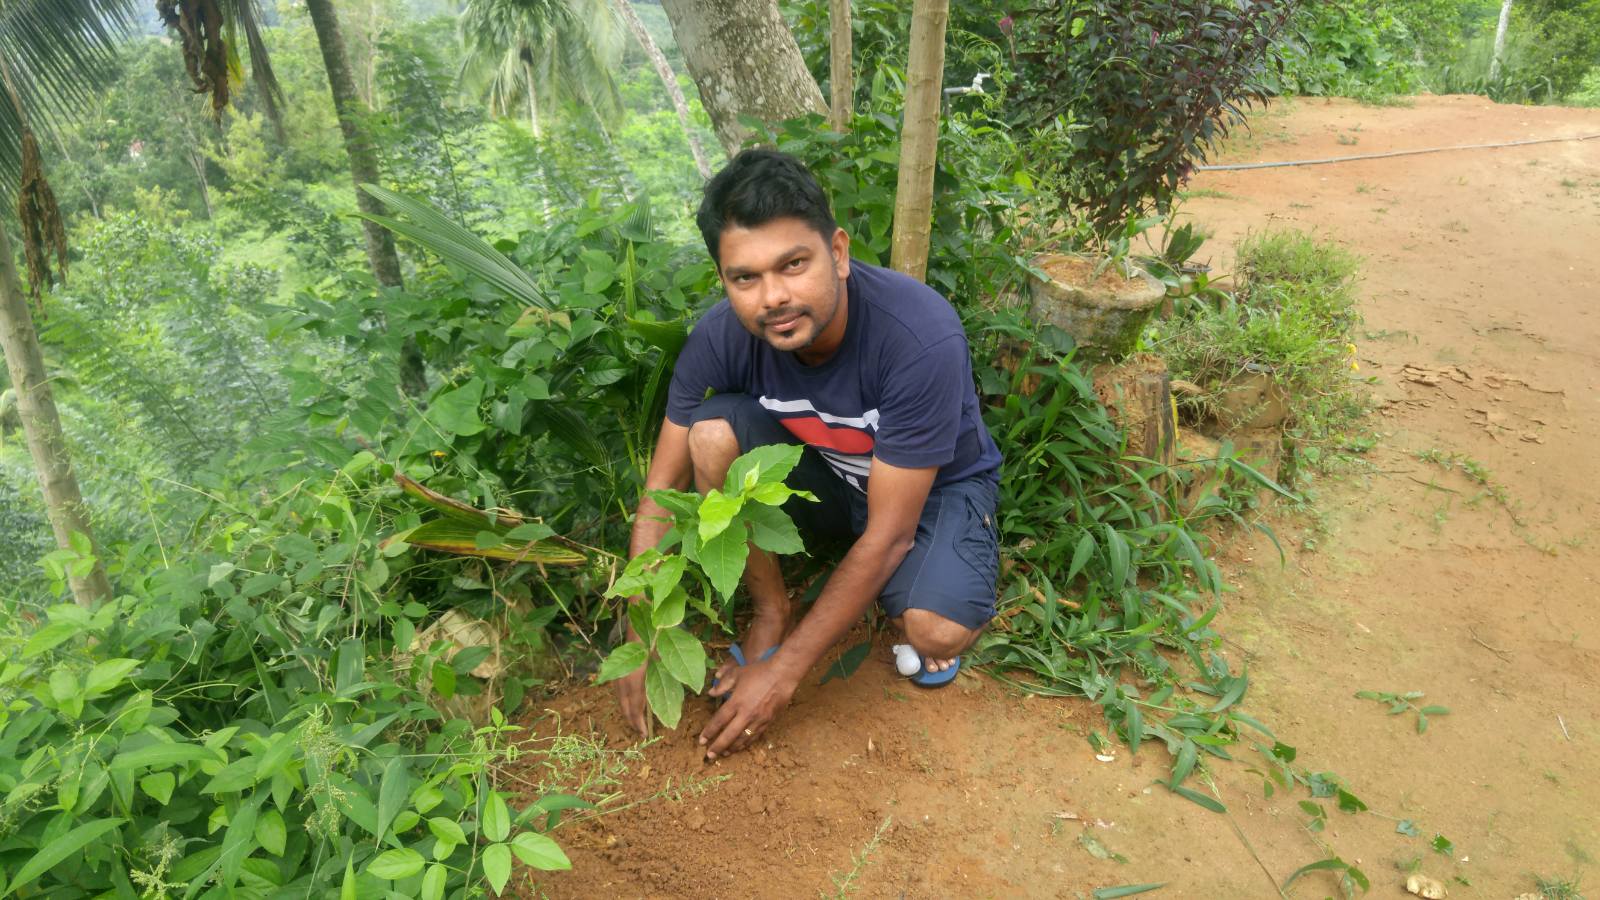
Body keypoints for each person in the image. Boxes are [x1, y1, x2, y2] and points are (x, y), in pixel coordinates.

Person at [614, 149, 1003, 761]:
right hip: (827, 475)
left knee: (932, 630)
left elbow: (890, 534)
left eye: (793, 265)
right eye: (745, 278)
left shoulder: (918, 336)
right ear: (724, 280)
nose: (773, 296)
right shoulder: (720, 337)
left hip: (932, 490)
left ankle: (948, 573)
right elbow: (661, 494)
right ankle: (773, 609)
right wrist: (643, 629)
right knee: (709, 435)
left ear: (838, 253)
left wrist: (783, 672)